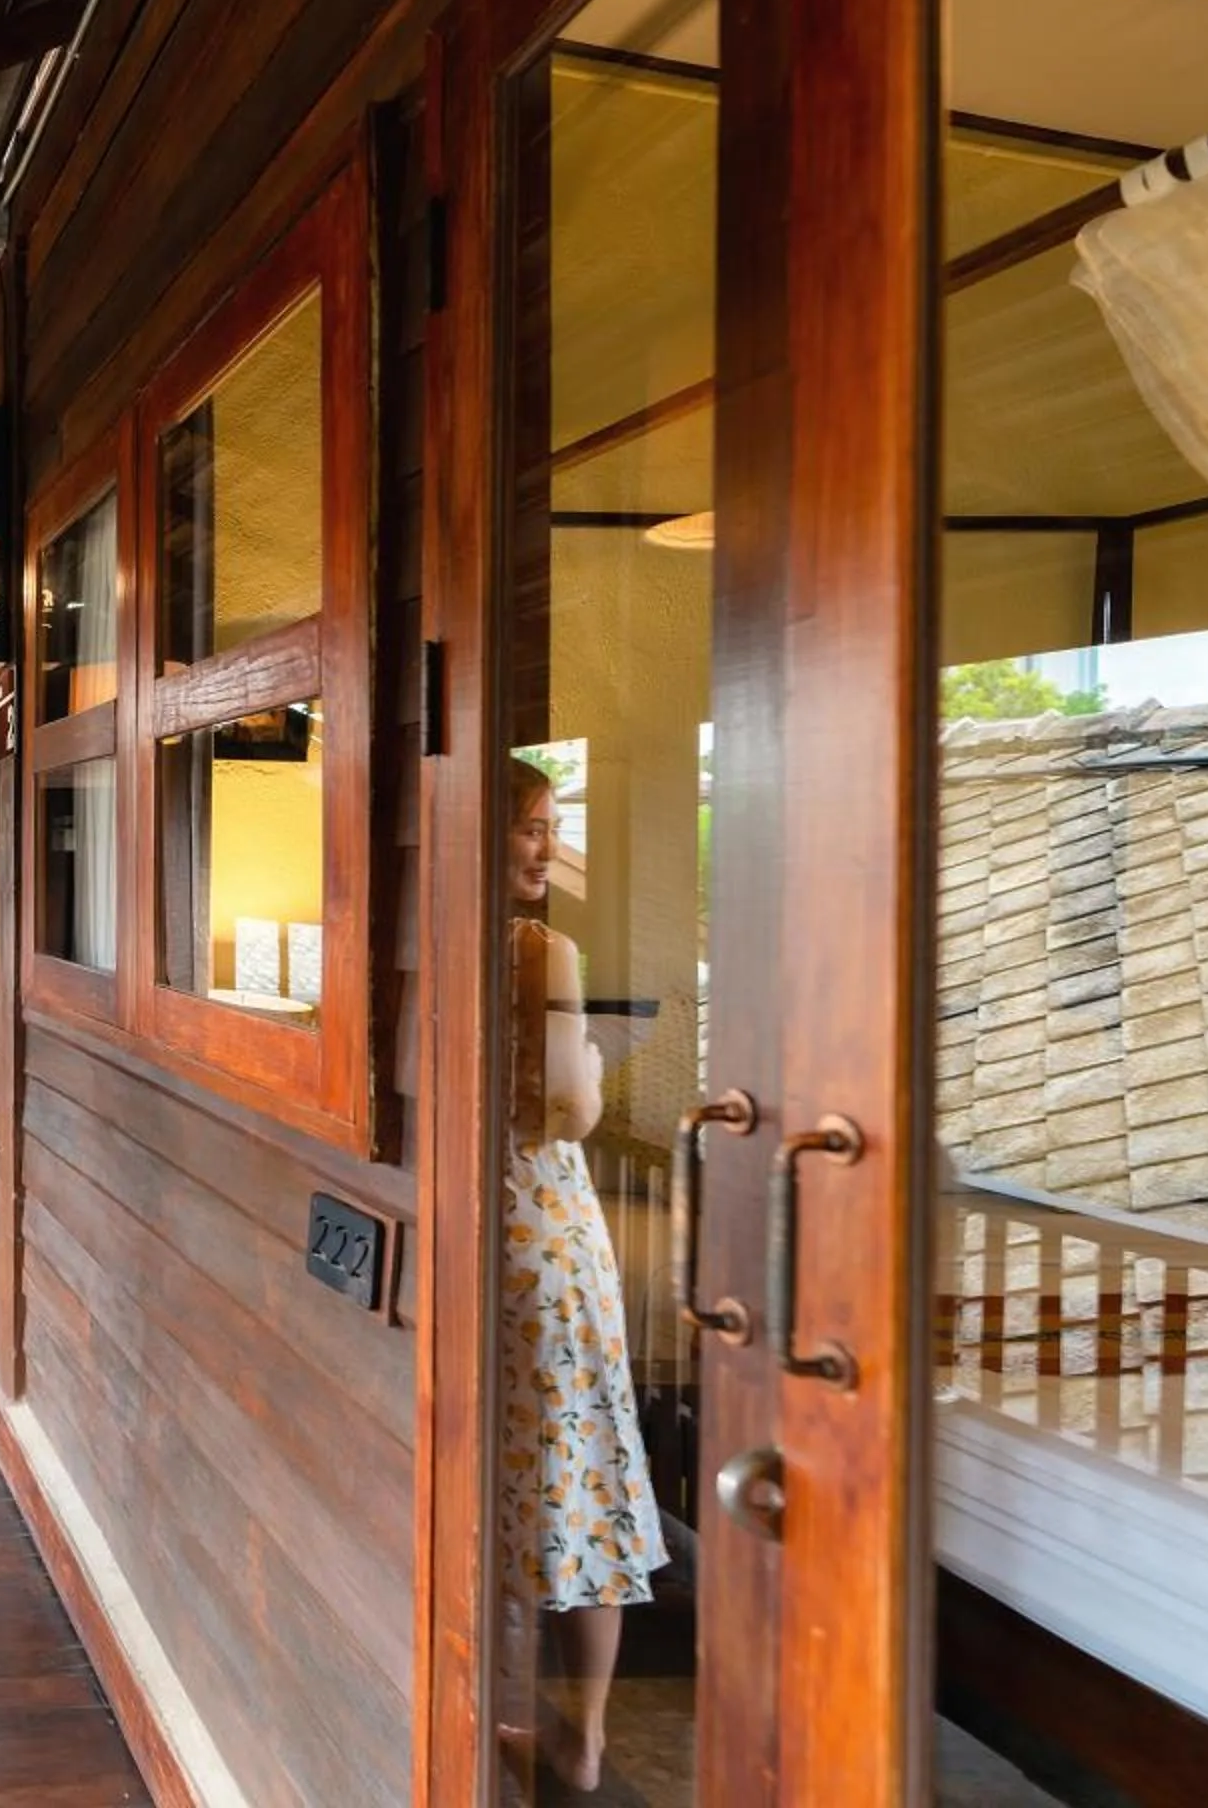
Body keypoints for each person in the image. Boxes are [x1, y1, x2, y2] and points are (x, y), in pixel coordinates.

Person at [500, 757, 665, 1795]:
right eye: (528, 824)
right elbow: (567, 1108)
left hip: (480, 1226)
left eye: (550, 824)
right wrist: (599, 1067)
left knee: (509, 1474)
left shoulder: (418, 937)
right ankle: (585, 1735)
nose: (544, 844)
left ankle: (501, 1708)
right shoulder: (542, 951)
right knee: (580, 1471)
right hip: (546, 1231)